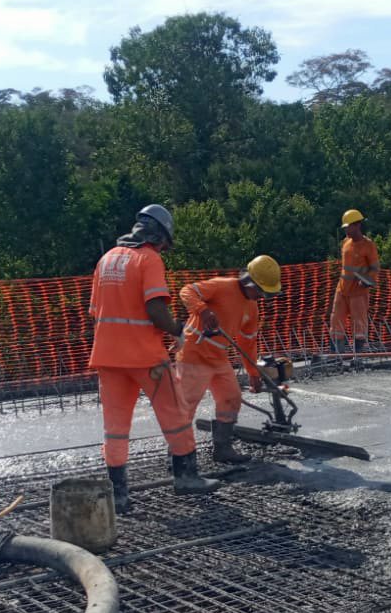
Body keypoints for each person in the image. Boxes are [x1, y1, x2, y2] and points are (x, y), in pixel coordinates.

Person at [89, 203, 219, 515]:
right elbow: (155, 309)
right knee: (175, 413)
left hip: (107, 357)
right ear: (158, 236)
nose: (163, 247)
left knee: (115, 427)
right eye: (164, 242)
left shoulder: (105, 260)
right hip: (145, 357)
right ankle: (185, 476)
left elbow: (95, 313)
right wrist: (177, 330)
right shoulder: (148, 259)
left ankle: (118, 495)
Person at [177, 255, 282, 464]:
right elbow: (186, 291)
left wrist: (253, 374)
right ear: (249, 282)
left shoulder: (252, 307)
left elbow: (248, 342)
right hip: (194, 354)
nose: (262, 296)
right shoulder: (222, 286)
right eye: (260, 291)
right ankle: (179, 457)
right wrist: (203, 310)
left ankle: (223, 449)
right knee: (186, 406)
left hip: (218, 358)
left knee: (231, 398)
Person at [329, 209, 380, 354]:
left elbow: (375, 268)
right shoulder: (345, 242)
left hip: (358, 291)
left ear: (357, 225)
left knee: (359, 322)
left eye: (348, 227)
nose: (346, 230)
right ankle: (336, 352)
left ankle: (359, 352)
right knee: (336, 319)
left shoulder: (368, 245)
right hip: (342, 289)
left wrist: (367, 280)